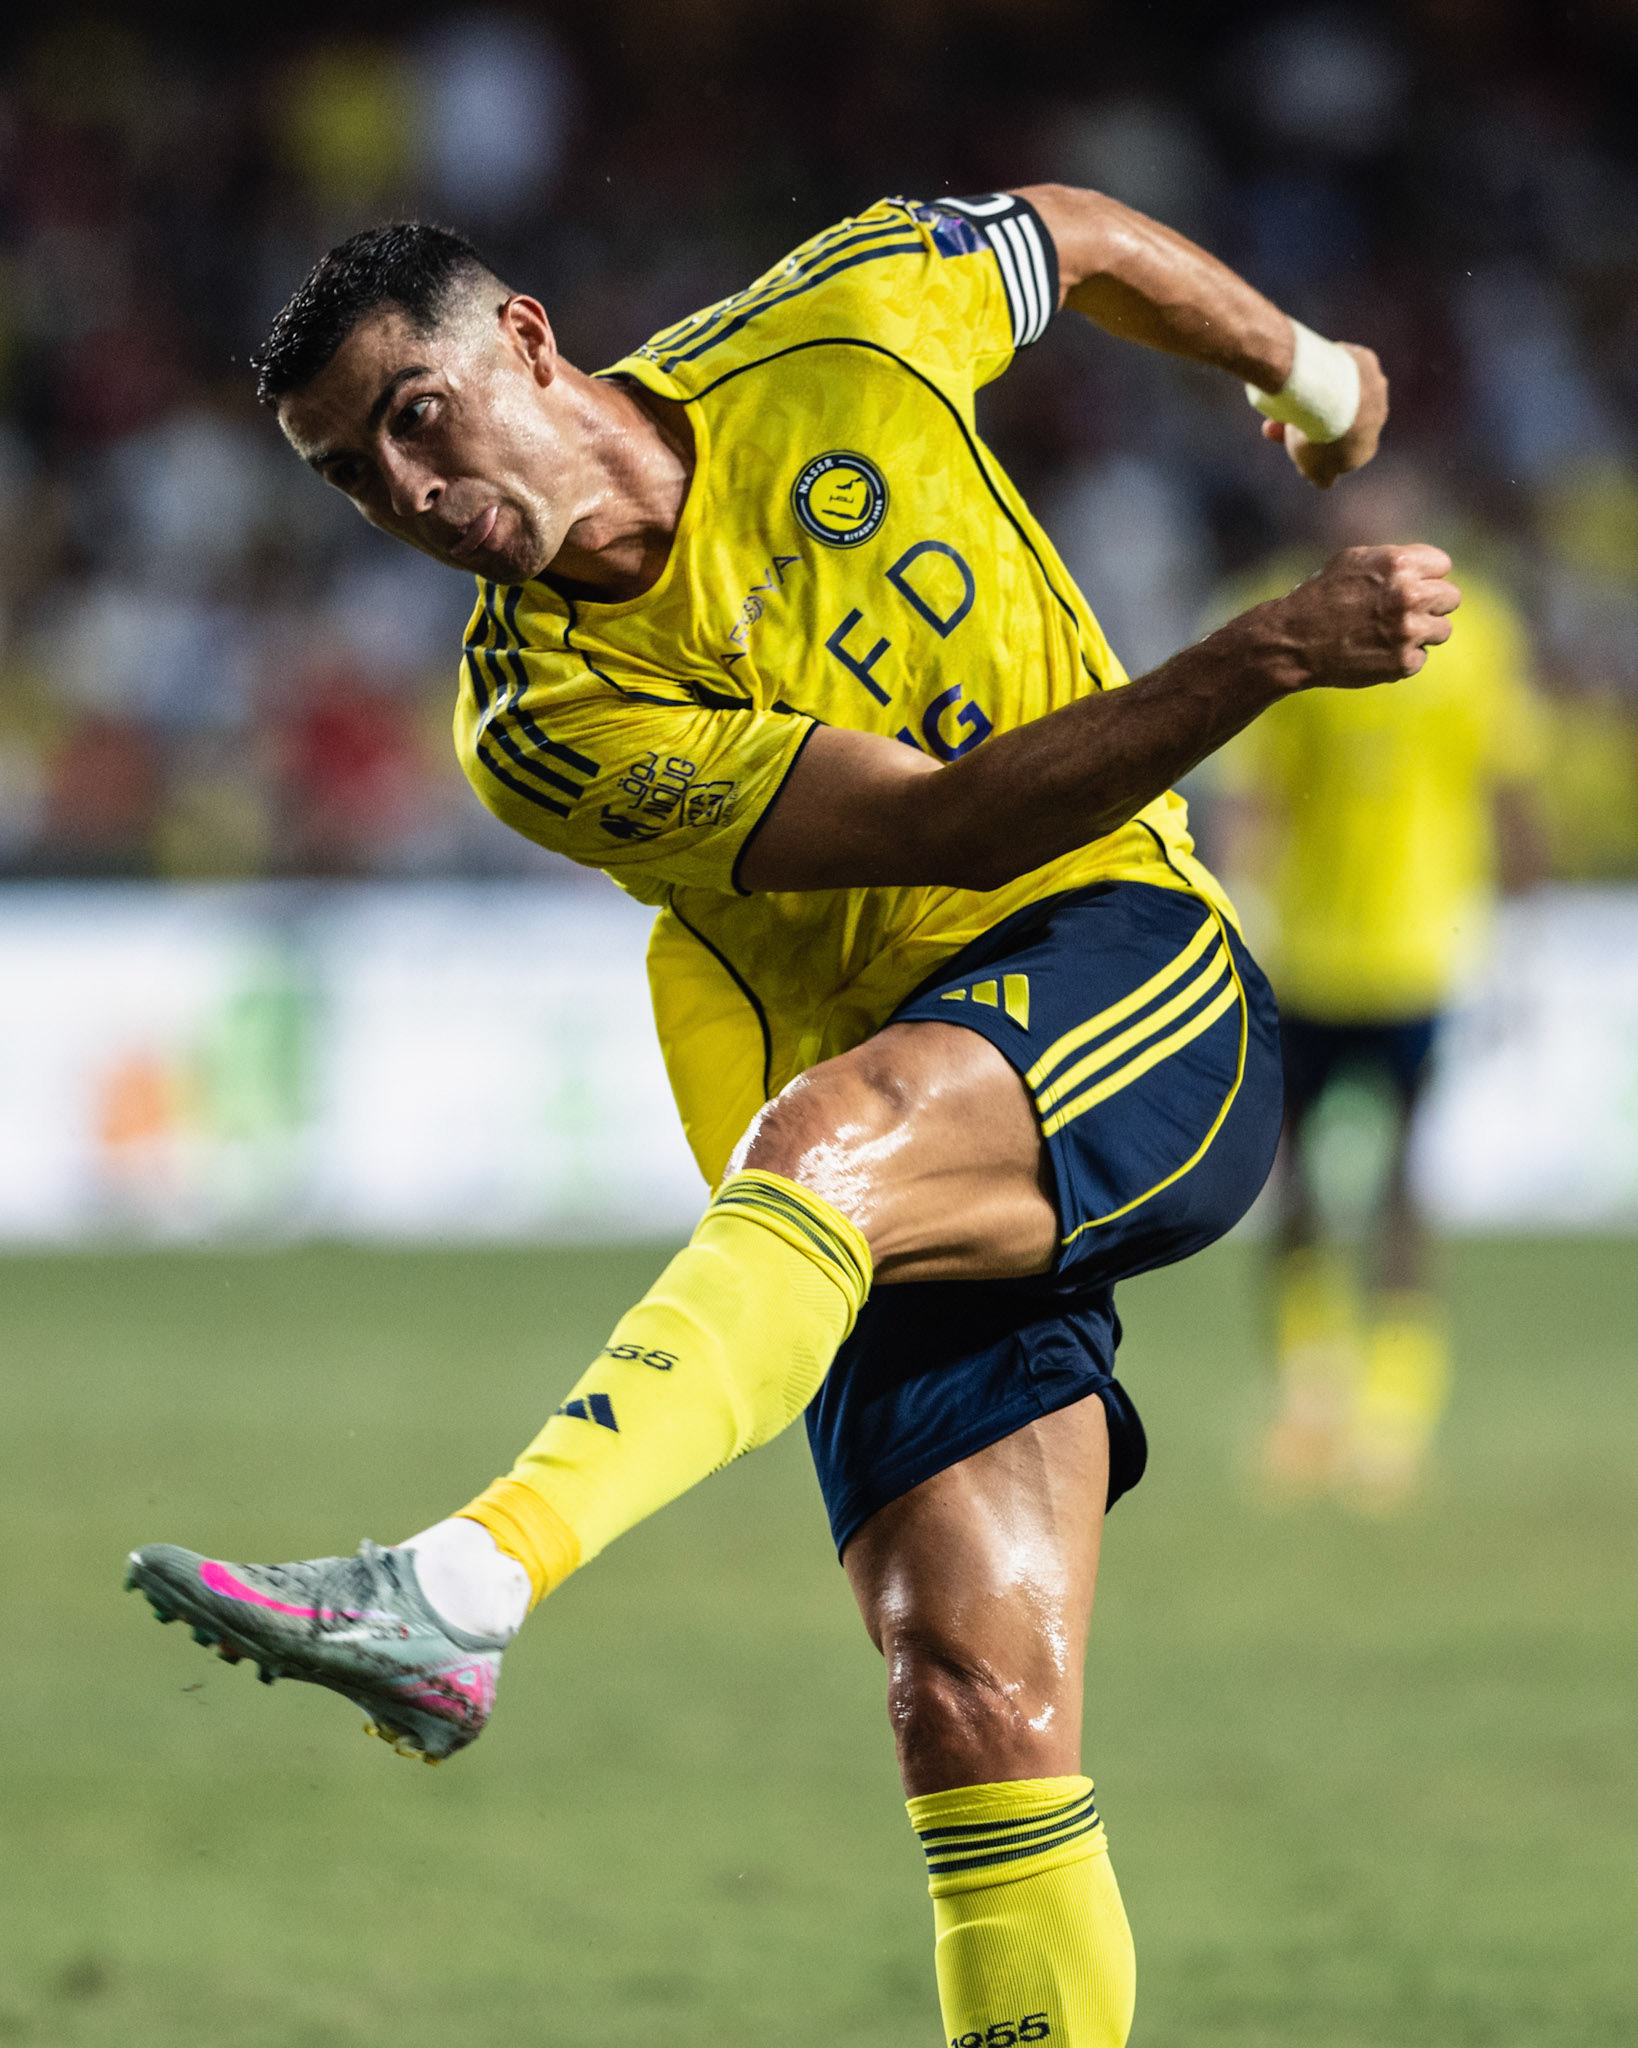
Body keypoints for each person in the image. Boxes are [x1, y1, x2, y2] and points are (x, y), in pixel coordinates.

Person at [127, 183, 1458, 2047]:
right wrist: (1259, 650)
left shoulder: (845, 323)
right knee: (972, 1704)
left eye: (412, 417)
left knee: (841, 1120)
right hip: (867, 1160)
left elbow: (1071, 237)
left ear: (523, 339)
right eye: (350, 477)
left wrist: (1305, 371)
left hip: (1124, 975)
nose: (406, 495)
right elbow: (941, 819)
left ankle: (456, 1581)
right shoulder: (537, 714)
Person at [1210, 462, 1543, 1507]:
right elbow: (1249, 793)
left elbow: (1508, 789)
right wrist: (1234, 907)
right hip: (1307, 947)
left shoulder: (1479, 637)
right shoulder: (1282, 630)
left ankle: (1391, 1409)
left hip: (1417, 947)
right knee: (1294, 1174)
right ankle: (1314, 1396)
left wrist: (1525, 933)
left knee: (1404, 1175)